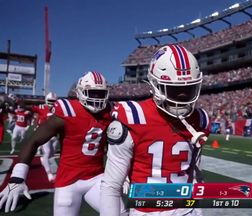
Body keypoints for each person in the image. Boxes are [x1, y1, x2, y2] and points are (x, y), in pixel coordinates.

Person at [101, 45, 210, 216]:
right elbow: (111, 186)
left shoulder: (200, 119)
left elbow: (195, 172)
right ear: (155, 85)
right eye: (174, 89)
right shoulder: (133, 117)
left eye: (189, 89)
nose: (182, 97)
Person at [0, 71, 127, 215]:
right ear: (80, 92)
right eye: (92, 93)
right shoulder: (67, 112)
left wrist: (124, 172)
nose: (96, 98)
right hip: (68, 182)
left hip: (97, 178)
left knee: (120, 213)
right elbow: (34, 141)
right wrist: (18, 176)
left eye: (100, 93)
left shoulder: (110, 112)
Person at [30, 92, 59, 182]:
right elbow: (32, 109)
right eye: (50, 101)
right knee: (47, 153)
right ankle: (49, 173)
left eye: (54, 101)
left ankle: (44, 160)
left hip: (55, 135)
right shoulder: (42, 108)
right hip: (45, 134)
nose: (52, 103)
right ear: (46, 100)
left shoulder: (59, 109)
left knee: (51, 154)